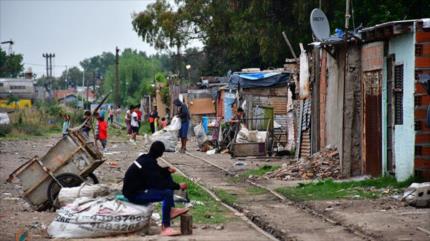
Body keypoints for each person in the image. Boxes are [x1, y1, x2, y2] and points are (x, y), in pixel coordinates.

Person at [122, 141, 188, 236]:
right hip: (134, 194)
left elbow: (156, 171)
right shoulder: (149, 162)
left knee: (167, 178)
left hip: (138, 188)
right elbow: (159, 184)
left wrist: (166, 170)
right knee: (167, 193)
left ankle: (171, 209)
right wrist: (178, 186)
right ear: (160, 153)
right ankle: (166, 227)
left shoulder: (146, 158)